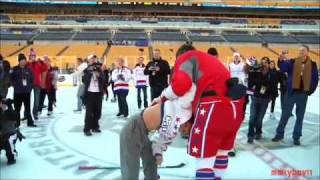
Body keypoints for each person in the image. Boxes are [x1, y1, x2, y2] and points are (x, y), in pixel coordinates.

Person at [154, 44, 246, 180]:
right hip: (235, 108)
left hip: (212, 108)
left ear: (180, 55)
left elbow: (181, 85)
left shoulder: (187, 58)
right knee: (221, 152)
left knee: (205, 157)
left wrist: (162, 97)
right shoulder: (214, 61)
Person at [120, 87, 195, 180]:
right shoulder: (182, 108)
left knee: (151, 163)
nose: (183, 132)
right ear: (189, 123)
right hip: (133, 128)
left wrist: (158, 154)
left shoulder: (173, 130)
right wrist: (161, 98)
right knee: (131, 171)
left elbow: (158, 141)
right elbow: (179, 89)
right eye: (187, 130)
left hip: (144, 132)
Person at [272, 45, 318, 145]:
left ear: (307, 52)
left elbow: (315, 79)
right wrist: (280, 59)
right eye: (300, 50)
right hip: (291, 92)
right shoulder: (292, 62)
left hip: (303, 94)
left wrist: (310, 91)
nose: (301, 52)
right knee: (285, 114)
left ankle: (296, 136)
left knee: (300, 116)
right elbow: (282, 68)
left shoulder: (313, 64)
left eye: (303, 50)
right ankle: (279, 134)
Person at [246, 57, 277, 144]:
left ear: (268, 63)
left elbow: (274, 87)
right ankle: (250, 135)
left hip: (265, 99)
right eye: (262, 62)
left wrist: (271, 97)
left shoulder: (272, 74)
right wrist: (251, 72)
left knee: (259, 118)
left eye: (266, 62)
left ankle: (258, 132)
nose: (264, 64)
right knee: (252, 117)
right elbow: (250, 85)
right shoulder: (256, 72)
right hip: (255, 98)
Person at [82, 55, 106, 136]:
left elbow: (104, 80)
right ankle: (87, 129)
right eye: (91, 59)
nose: (93, 60)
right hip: (89, 93)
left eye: (94, 59)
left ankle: (95, 126)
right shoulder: (86, 70)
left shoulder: (99, 69)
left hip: (98, 93)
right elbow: (84, 80)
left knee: (98, 111)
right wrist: (90, 72)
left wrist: (99, 75)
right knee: (89, 112)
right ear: (88, 60)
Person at [11, 54, 36, 127]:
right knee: (17, 109)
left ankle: (30, 122)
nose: (23, 62)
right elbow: (11, 79)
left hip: (26, 93)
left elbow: (32, 79)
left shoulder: (28, 69)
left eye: (24, 60)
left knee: (28, 108)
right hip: (17, 93)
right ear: (19, 61)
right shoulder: (14, 69)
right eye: (21, 60)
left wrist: (29, 87)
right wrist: (15, 85)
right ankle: (17, 123)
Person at [0, 98, 25, 165]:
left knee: (8, 141)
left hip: (11, 134)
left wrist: (6, 109)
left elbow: (15, 117)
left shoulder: (9, 110)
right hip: (2, 134)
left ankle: (11, 156)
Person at [27, 48, 47, 120]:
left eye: (34, 55)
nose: (33, 57)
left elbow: (45, 70)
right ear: (29, 56)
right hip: (28, 85)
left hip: (37, 84)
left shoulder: (39, 64)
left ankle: (35, 113)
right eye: (31, 55)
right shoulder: (27, 63)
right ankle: (27, 114)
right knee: (26, 100)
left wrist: (43, 82)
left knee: (36, 100)